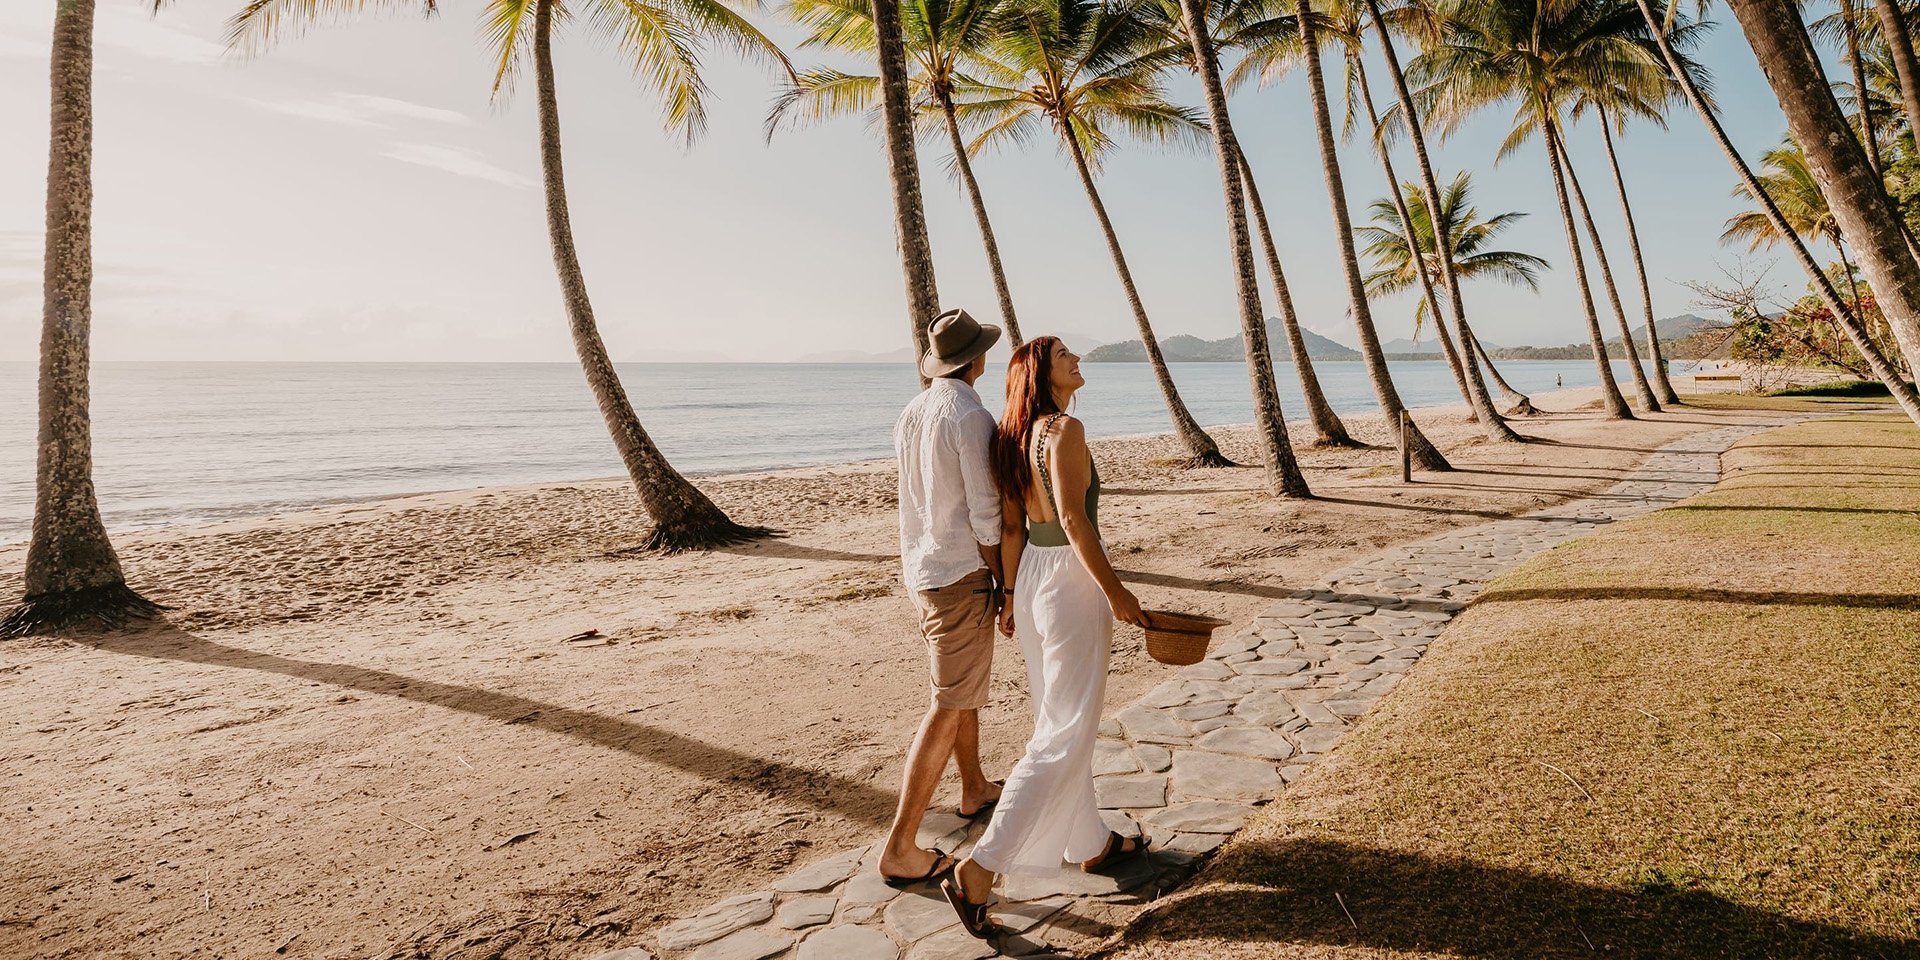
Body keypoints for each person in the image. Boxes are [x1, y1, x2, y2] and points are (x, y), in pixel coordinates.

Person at [943, 336, 1152, 938]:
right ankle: (978, 871)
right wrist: (1117, 593)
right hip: (1068, 581)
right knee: (1063, 730)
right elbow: (1073, 519)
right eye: (1066, 355)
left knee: (1058, 717)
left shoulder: (1013, 437)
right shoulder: (1064, 432)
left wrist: (1010, 597)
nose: (1077, 359)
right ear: (1043, 373)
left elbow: (1013, 525)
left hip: (1033, 578)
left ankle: (1089, 841)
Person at [881, 308, 1009, 888]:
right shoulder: (972, 415)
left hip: (922, 567)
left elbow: (912, 498)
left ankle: (975, 786)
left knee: (963, 687)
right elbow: (986, 515)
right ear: (976, 359)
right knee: (949, 701)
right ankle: (901, 848)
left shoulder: (913, 411)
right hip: (960, 572)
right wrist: (1002, 579)